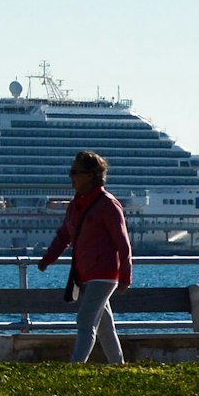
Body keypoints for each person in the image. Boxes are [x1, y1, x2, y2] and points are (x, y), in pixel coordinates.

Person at [38, 149, 134, 364]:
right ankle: (118, 364)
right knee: (104, 325)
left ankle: (76, 366)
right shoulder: (75, 205)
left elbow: (122, 242)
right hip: (84, 273)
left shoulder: (108, 204)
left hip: (104, 272)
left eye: (75, 172)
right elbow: (64, 235)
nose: (71, 177)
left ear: (90, 175)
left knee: (85, 320)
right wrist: (47, 259)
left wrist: (126, 275)